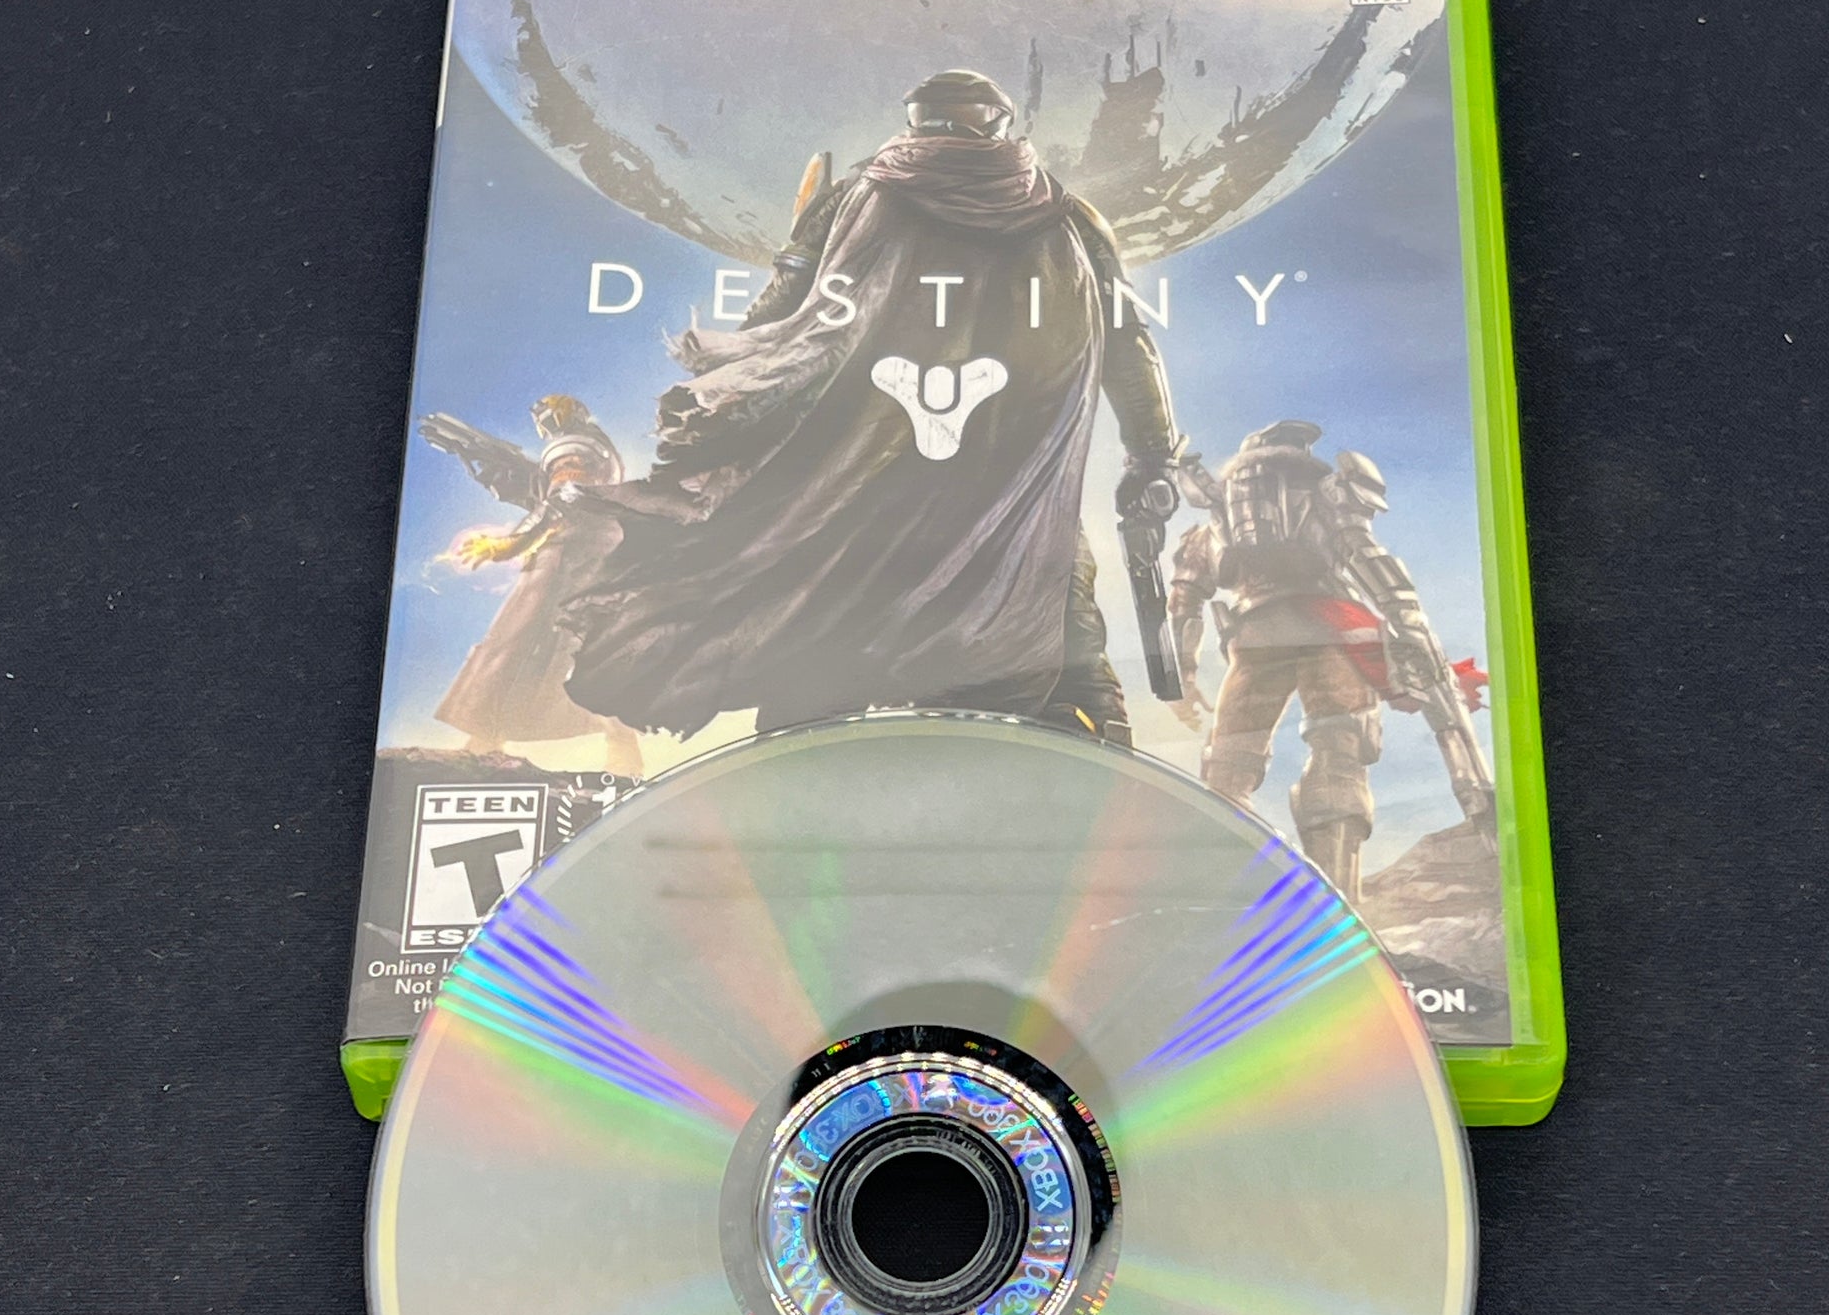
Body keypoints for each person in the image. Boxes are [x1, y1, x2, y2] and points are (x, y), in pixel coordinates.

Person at [561, 69, 1181, 743]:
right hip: (1018, 489)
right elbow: (1129, 345)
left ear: (916, 119)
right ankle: (1091, 741)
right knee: (1063, 645)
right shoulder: (1072, 220)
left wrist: (737, 419)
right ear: (1001, 124)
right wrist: (1152, 457)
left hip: (864, 485)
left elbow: (771, 328)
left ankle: (804, 762)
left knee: (819, 662)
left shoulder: (849, 202)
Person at [1170, 422, 1494, 903]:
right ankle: (1339, 902)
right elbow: (1376, 568)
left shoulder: (1216, 518)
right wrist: (1413, 634)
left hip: (1256, 638)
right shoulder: (1324, 496)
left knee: (1227, 770)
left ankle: (1240, 896)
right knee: (1339, 752)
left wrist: (1183, 673)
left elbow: (1184, 601)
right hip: (1333, 632)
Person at [422, 394, 642, 771]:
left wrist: (514, 541)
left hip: (569, 558)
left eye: (548, 415)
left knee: (526, 644)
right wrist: (480, 455)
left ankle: (488, 739)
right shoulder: (593, 449)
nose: (544, 423)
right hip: (584, 557)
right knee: (547, 648)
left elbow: (566, 496)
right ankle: (488, 738)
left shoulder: (576, 447)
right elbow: (541, 488)